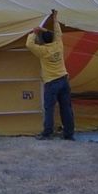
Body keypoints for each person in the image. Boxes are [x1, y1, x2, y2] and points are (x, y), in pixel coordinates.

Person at [26, 10, 74, 140]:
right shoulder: (59, 44)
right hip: (64, 80)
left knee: (49, 109)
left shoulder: (43, 51)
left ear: (42, 41)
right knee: (66, 108)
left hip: (51, 83)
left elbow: (29, 44)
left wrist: (34, 33)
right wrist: (55, 18)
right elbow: (58, 32)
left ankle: (47, 133)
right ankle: (69, 134)